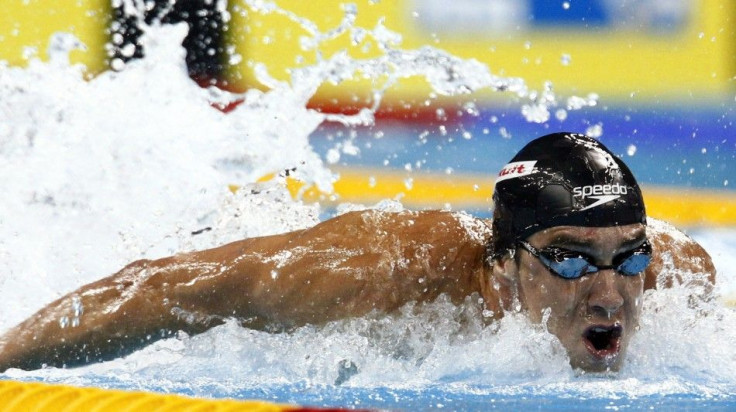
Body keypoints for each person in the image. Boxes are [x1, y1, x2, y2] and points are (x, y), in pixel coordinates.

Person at [0, 132, 715, 373]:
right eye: (567, 257)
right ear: (504, 268)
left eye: (627, 256)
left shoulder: (679, 275)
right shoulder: (388, 272)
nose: (608, 292)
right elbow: (164, 288)